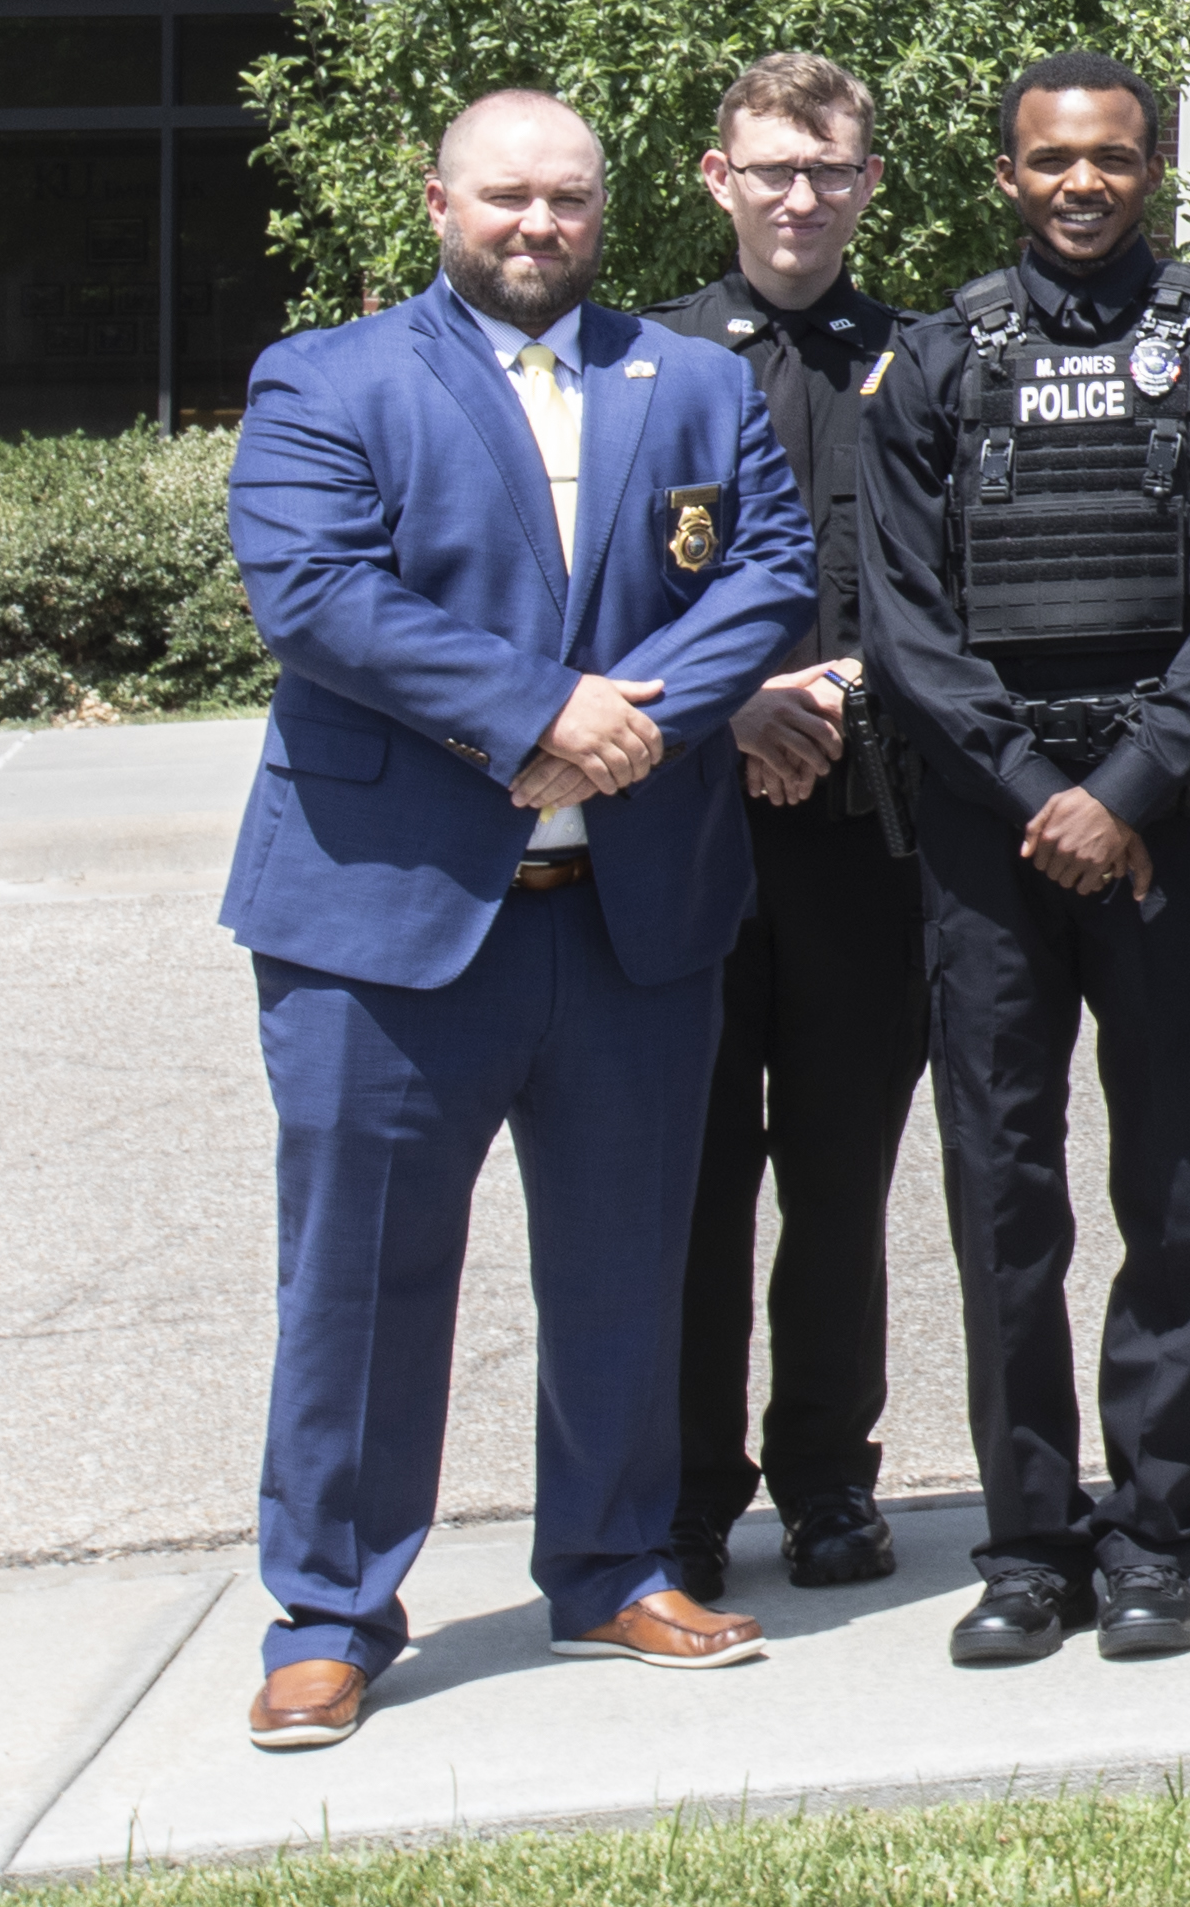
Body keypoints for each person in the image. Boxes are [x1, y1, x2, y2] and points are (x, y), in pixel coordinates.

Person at [224, 89, 813, 1746]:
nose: (537, 225)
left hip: (629, 915)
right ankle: (331, 1611)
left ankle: (617, 1565)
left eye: (567, 197)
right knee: (362, 1279)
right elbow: (319, 596)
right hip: (387, 922)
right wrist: (548, 713)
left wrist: (641, 721)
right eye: (505, 198)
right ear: (438, 204)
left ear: (607, 209)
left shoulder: (690, 380)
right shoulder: (328, 380)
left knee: (626, 1262)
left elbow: (767, 572)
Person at [859, 52, 1190, 1667]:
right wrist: (1032, 789)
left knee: (1174, 1185)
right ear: (1007, 172)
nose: (1080, 184)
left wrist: (1121, 786)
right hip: (993, 844)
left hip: (1169, 830)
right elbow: (901, 618)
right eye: (1051, 159)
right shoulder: (932, 362)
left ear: (1154, 170)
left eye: (1111, 159)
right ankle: (1029, 1540)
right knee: (1005, 1198)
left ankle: (1154, 1534)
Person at [646, 53, 928, 1613]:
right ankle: (687, 1496)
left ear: (868, 182)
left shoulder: (930, 361)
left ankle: (829, 1477)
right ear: (719, 177)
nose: (800, 198)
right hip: (691, 831)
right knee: (691, 1185)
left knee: (838, 1181)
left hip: (871, 838)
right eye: (772, 170)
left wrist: (852, 680)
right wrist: (733, 701)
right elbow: (609, 594)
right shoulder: (652, 364)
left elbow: (966, 583)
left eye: (828, 170)